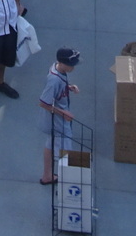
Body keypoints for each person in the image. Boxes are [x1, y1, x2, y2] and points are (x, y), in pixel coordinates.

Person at [38, 47, 80, 186]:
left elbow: (57, 91)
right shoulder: (54, 80)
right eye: (70, 64)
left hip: (57, 117)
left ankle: (47, 176)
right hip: (58, 120)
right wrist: (64, 113)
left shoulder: (57, 69)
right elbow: (43, 102)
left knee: (50, 143)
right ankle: (69, 182)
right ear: (61, 63)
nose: (73, 67)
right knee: (65, 147)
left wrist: (68, 87)